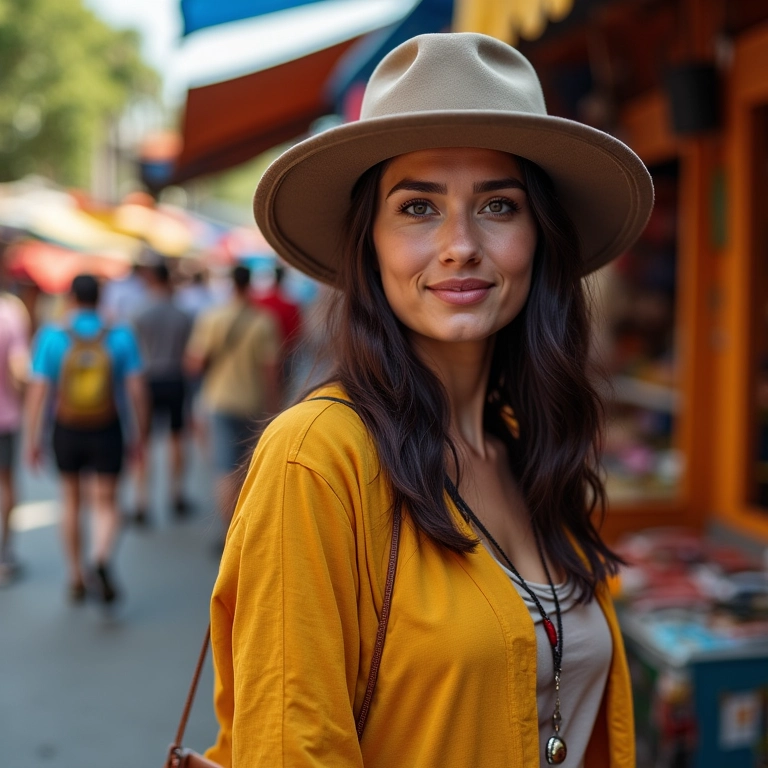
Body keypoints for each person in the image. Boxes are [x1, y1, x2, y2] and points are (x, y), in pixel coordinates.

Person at [204, 33, 654, 767]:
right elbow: (292, 745)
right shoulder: (318, 458)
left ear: (538, 237)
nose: (459, 245)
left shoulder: (528, 445)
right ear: (370, 243)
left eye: (498, 206)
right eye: (417, 207)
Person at [25, 274, 146, 603]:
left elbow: (39, 390)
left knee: (71, 500)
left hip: (66, 428)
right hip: (107, 427)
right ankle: (101, 557)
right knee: (106, 502)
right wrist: (141, 435)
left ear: (72, 298)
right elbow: (136, 389)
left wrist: (32, 438)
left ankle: (75, 574)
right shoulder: (120, 335)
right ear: (100, 298)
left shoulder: (52, 335)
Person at [184, 265, 280, 529]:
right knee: (248, 467)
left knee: (225, 467)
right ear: (250, 284)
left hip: (218, 402)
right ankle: (246, 523)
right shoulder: (264, 321)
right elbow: (270, 371)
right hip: (253, 402)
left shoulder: (212, 318)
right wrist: (273, 407)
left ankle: (230, 529)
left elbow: (194, 364)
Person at [132, 262, 193, 524]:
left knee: (143, 439)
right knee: (176, 438)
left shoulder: (139, 312)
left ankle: (142, 500)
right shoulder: (183, 314)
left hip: (147, 380)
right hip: (175, 378)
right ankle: (175, 493)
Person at [0, 286, 30, 584]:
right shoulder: (9, 313)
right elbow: (19, 369)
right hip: (5, 417)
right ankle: (4, 553)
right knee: (6, 483)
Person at [251, 264, 302, 400]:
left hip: (260, 355)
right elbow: (297, 333)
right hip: (283, 355)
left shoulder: (259, 301)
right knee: (280, 393)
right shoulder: (291, 305)